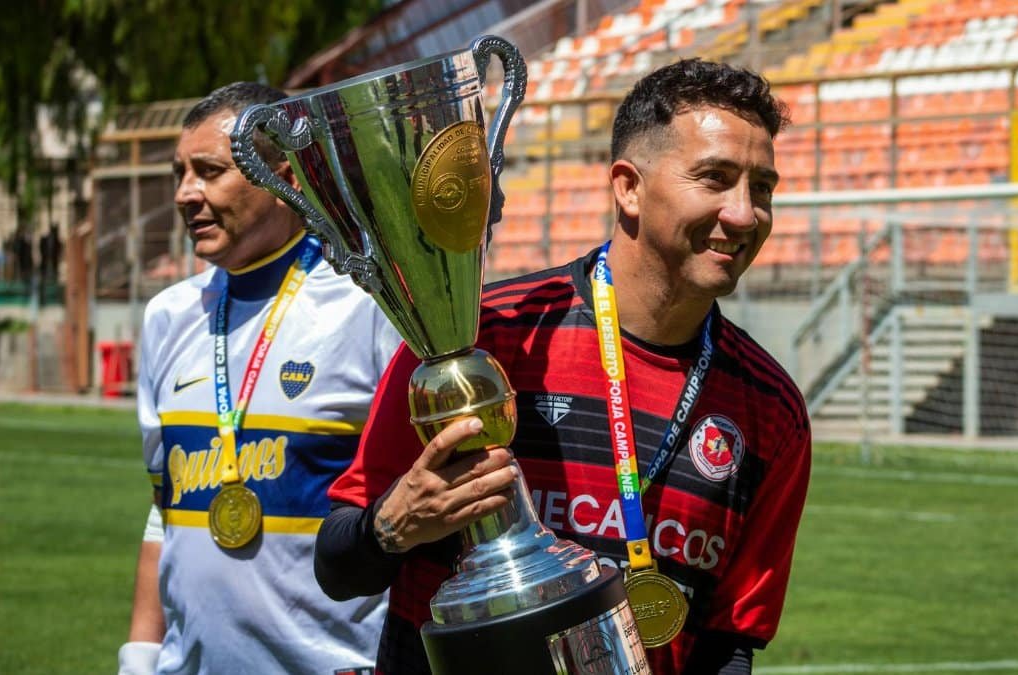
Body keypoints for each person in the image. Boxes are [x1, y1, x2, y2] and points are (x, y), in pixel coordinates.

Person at [314, 59, 811, 674]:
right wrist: (390, 527)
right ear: (628, 186)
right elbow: (337, 567)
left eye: (762, 188)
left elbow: (728, 641)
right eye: (715, 178)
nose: (744, 213)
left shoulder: (771, 408)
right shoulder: (479, 344)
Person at [120, 82, 401, 675]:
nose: (184, 194)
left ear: (285, 178)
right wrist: (139, 658)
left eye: (210, 170)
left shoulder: (366, 306)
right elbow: (162, 512)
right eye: (180, 173)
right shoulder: (168, 316)